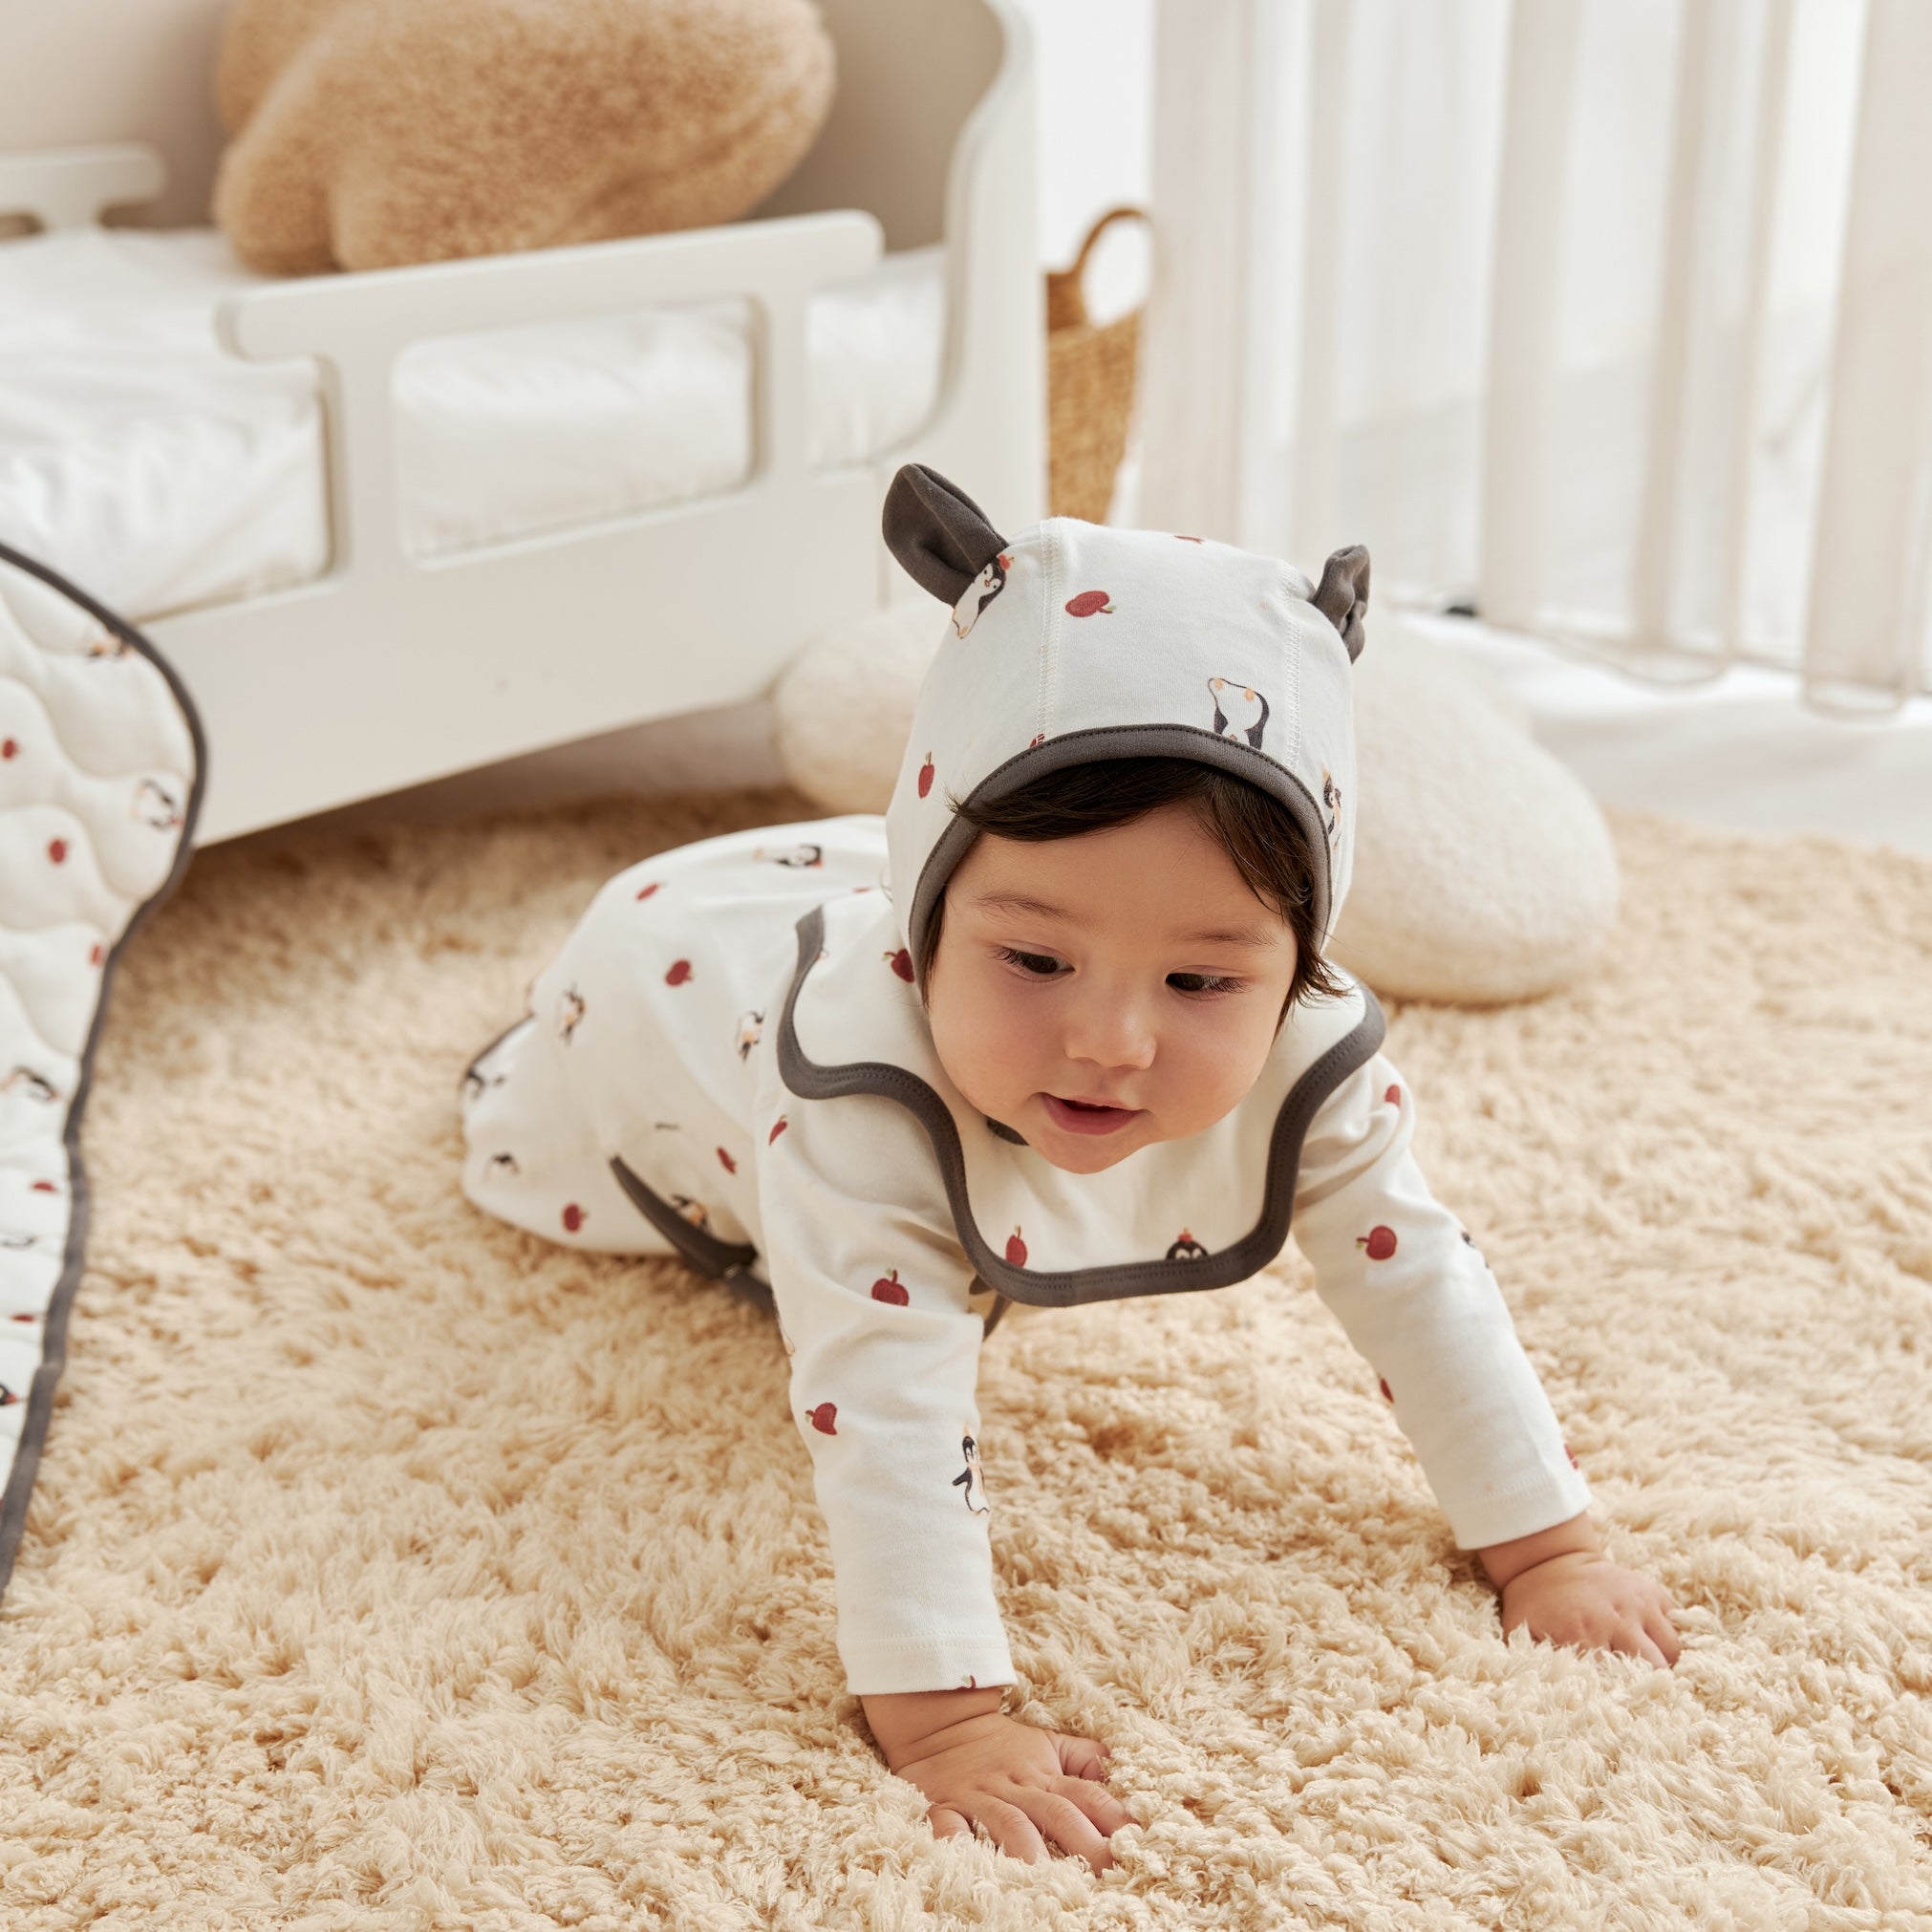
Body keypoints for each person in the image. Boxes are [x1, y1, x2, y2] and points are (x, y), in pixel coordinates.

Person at [458, 464, 1680, 1873]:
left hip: (896, 879)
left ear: (1296, 964)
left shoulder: (1307, 1044)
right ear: (925, 930)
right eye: (1033, 960)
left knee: (1092, 905)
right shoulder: (853, 1084)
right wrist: (945, 1719)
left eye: (1202, 978)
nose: (1110, 1040)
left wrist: (1547, 1544)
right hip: (655, 1003)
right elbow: (884, 1399)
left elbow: (1422, 1280)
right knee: (816, 1201)